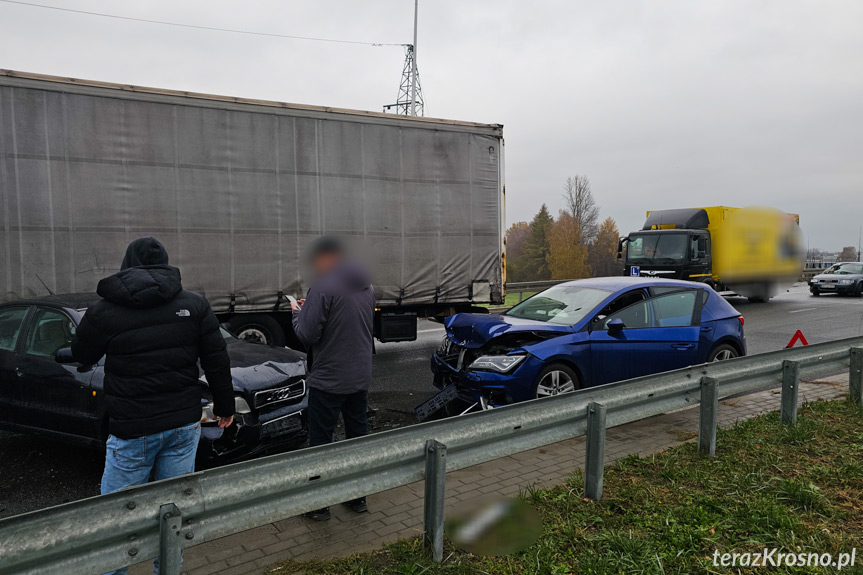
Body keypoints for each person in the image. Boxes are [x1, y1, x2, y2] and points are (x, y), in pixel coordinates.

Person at [72, 237, 234, 575]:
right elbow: (216, 359)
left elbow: (82, 355)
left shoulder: (103, 310)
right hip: (182, 426)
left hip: (132, 430)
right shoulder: (195, 304)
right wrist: (225, 406)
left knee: (117, 524)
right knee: (172, 514)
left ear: (127, 265)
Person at [291, 236, 375, 521]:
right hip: (359, 376)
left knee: (321, 440)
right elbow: (347, 318)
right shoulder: (367, 285)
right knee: (356, 437)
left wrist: (298, 313)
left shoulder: (323, 286)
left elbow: (307, 334)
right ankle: (358, 497)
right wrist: (312, 306)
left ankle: (319, 505)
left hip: (329, 379)